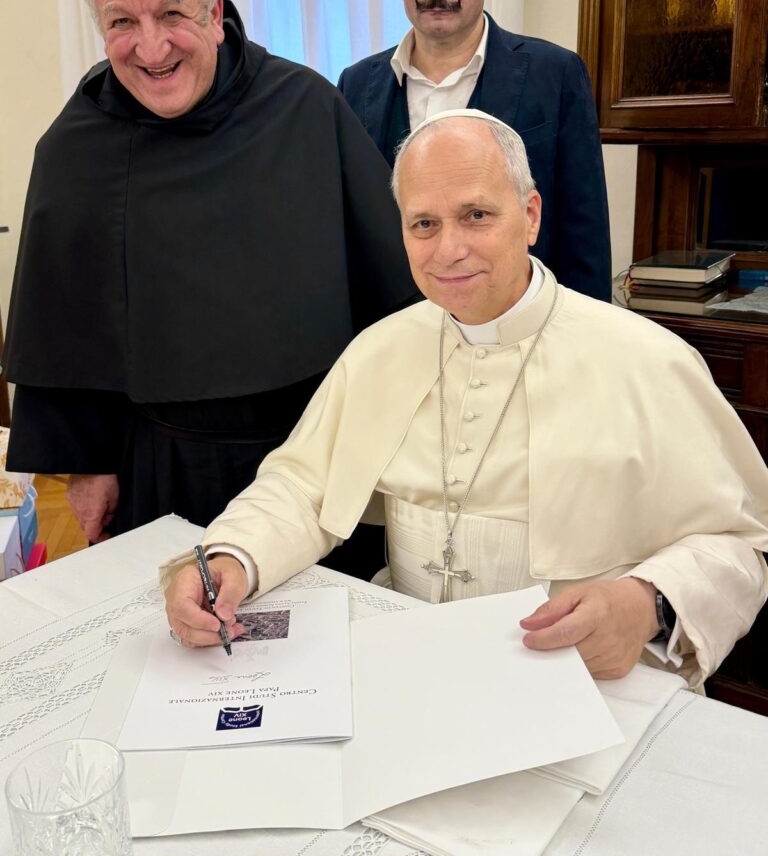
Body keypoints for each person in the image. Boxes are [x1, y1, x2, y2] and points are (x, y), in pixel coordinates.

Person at [163, 110, 768, 688]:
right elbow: (302, 487)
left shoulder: (649, 360)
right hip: (413, 664)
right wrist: (231, 558)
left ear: (530, 216)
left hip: (582, 680)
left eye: (476, 215)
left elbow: (742, 544)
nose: (448, 249)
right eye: (423, 224)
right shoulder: (379, 351)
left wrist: (647, 604)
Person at [2, 0, 417, 546]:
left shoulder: (305, 106)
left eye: (171, 13)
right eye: (122, 22)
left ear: (215, 14)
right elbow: (60, 324)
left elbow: (389, 286)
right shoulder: (74, 147)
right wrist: (87, 466)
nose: (151, 47)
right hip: (162, 463)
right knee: (171, 605)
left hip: (310, 457)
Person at [337, 0, 612, 303]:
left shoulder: (556, 75)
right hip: (391, 325)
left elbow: (584, 233)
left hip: (517, 324)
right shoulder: (355, 85)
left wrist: (581, 332)